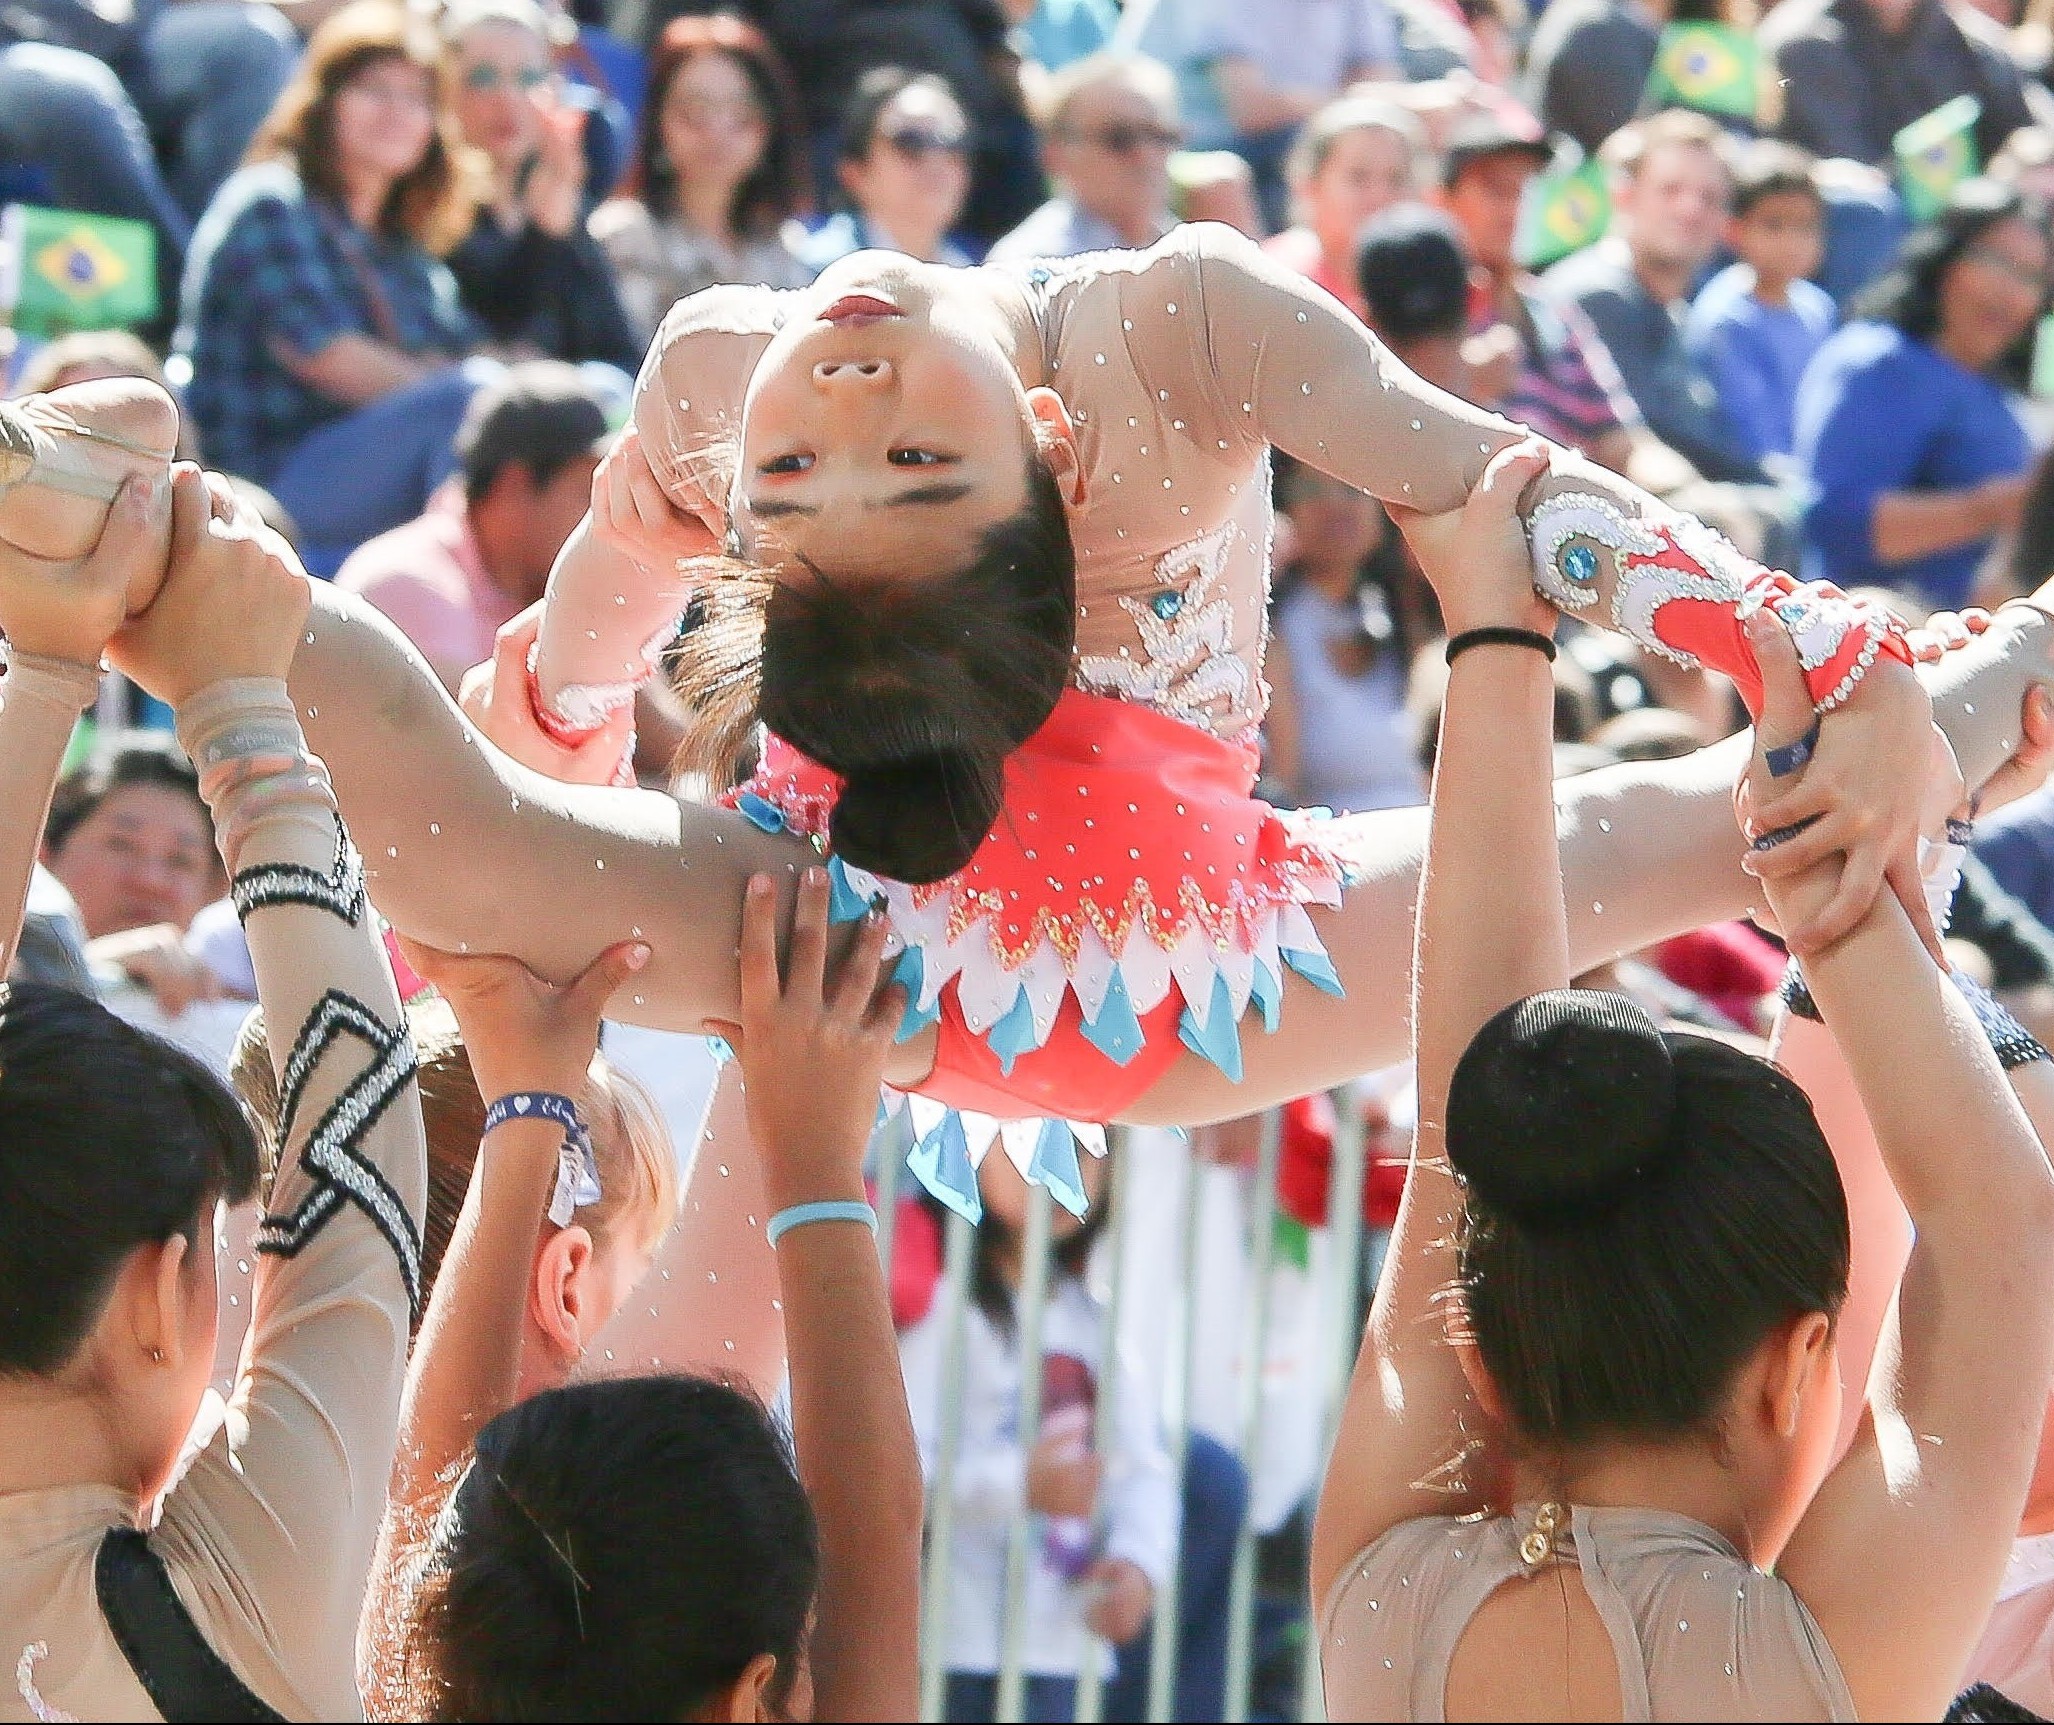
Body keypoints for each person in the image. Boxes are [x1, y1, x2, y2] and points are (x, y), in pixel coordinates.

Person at [9, 225, 2046, 1158]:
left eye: (867, 465)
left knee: (1761, 805)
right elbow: (538, 732)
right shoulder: (716, 380)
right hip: (855, 932)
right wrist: (611, 585)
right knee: (1737, 816)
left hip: (1176, 959)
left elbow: (1507, 492)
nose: (839, 400)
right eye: (865, 468)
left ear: (1061, 451)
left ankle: (2007, 677)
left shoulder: (1179, 329)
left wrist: (1810, 651)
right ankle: (125, 550)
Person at [1311, 440, 2054, 1720]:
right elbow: (1994, 1215)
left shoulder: (1380, 1605)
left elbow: (1457, 1089)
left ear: (1477, 1361)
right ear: (1799, 1364)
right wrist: (1858, 842)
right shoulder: (1822, 1665)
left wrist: (1845, 840)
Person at [0, 463, 429, 1719]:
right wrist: (225, 698)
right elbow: (361, 1183)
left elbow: (361, 1154)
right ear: (159, 1290)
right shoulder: (238, 1594)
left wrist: (54, 670)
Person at [389, 869, 923, 1719]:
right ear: (749, 1698)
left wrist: (817, 1162)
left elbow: (874, 1534)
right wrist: (524, 1103)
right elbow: (427, 1500)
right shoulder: (404, 1676)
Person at [179, 1, 486, 572]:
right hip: (267, 483)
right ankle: (458, 583)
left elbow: (454, 349)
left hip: (371, 471)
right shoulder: (271, 203)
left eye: (417, 98)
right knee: (474, 402)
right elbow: (328, 358)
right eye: (374, 89)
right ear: (323, 101)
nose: (396, 112)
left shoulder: (401, 245)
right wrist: (475, 388)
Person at [901, 1152, 1176, 1723]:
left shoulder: (1095, 1320)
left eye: (1084, 1148)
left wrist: (1137, 1562)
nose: (1058, 1168)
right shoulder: (944, 1306)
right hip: (958, 1648)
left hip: (1065, 1653)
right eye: (1030, 1140)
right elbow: (897, 1475)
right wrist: (1020, 1484)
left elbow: (1142, 1470)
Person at [1794, 178, 2042, 612]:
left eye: (2032, 278)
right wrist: (1997, 508)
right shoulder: (1879, 363)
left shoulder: (1998, 396)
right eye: (1998, 262)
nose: (2012, 292)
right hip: (1869, 624)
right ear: (1944, 258)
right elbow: (1833, 523)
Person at [337, 363, 610, 690]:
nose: (603, 517)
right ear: (514, 485)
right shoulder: (407, 582)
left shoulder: (547, 585)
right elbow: (473, 721)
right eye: (587, 495)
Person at [1542, 111, 1772, 488]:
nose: (1690, 210)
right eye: (1670, 190)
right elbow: (1649, 437)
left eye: (1710, 198)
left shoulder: (1678, 307)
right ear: (1625, 196)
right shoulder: (1597, 295)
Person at [440, 0, 643, 374]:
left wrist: (555, 219)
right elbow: (495, 343)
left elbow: (620, 352)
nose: (508, 98)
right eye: (482, 78)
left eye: (529, 79)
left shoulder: (561, 192)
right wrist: (543, 236)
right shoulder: (425, 209)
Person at [589, 12, 811, 346]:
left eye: (740, 113)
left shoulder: (785, 245)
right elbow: (632, 352)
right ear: (658, 123)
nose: (716, 132)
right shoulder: (622, 237)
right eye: (695, 111)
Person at [1264, 457, 1429, 815]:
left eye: (1353, 488)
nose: (1334, 503)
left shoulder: (1412, 619)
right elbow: (1281, 785)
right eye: (1310, 489)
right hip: (1331, 838)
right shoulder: (1270, 633)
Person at [41, 731, 226, 1015]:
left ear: (217, 887)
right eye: (121, 844)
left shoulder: (247, 1012)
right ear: (44, 853)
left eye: (181, 860)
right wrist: (82, 969)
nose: (149, 880)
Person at [1177, 0, 1400, 229]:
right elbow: (1253, 110)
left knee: (1384, 141)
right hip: (1228, 148)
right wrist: (1351, 101)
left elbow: (1381, 85)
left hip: (1314, 132)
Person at [1684, 141, 1838, 471]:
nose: (1792, 242)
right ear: (1735, 230)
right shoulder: (1728, 320)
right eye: (1773, 225)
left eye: (1806, 227)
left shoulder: (1817, 307)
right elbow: (1753, 438)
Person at [1761, 0, 2049, 169]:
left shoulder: (1973, 42)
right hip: (1859, 222)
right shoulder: (1803, 43)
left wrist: (2023, 158)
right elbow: (1852, 160)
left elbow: (2031, 130)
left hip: (1964, 224)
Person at [985, 53, 1182, 263]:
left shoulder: (1185, 248)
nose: (1147, 155)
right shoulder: (1030, 264)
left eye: (1162, 136)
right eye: (1120, 138)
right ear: (1056, 154)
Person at [793, 66, 975, 275]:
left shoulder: (980, 274)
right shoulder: (805, 271)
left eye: (954, 142)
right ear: (854, 172)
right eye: (911, 141)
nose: (936, 159)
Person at [1261, 96, 1425, 323]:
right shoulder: (1273, 277)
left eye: (1397, 178)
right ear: (1310, 185)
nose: (1379, 196)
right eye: (1358, 176)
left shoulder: (1437, 280)